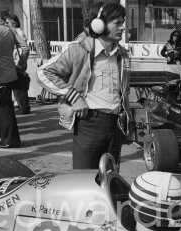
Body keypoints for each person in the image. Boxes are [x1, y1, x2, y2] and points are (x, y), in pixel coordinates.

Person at [37, 2, 131, 170]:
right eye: (117, 23)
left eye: (122, 22)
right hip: (89, 124)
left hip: (115, 126)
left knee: (110, 180)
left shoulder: (122, 55)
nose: (122, 27)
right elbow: (44, 73)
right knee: (83, 180)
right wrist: (74, 97)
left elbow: (124, 91)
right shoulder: (80, 50)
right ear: (99, 24)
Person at [0, 2, 29, 149]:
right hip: (11, 71)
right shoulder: (8, 29)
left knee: (4, 108)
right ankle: (11, 138)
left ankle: (8, 140)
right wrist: (20, 64)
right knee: (6, 105)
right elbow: (25, 47)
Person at [6, 14, 30, 115]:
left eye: (8, 23)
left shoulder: (19, 33)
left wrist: (20, 64)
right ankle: (21, 106)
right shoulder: (13, 32)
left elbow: (23, 48)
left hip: (18, 62)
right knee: (17, 86)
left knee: (19, 86)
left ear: (14, 23)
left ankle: (23, 107)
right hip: (15, 61)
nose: (6, 25)